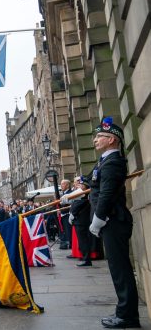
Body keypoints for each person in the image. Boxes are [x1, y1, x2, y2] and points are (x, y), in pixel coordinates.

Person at [86, 118, 140, 329]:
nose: (95, 140)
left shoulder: (114, 161)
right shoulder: (106, 161)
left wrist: (98, 220)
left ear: (111, 139)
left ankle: (127, 316)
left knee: (121, 270)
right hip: (111, 221)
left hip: (113, 221)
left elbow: (107, 194)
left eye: (99, 136)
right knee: (117, 269)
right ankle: (124, 311)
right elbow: (93, 184)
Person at [67, 177, 93, 267]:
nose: (80, 186)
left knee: (83, 240)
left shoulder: (84, 194)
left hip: (82, 220)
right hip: (79, 220)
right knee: (82, 240)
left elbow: (78, 204)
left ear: (85, 186)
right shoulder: (80, 193)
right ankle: (85, 257)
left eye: (82, 185)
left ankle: (87, 259)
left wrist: (73, 213)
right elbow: (75, 203)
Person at [59, 179, 73, 250]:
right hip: (63, 214)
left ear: (68, 185)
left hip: (68, 214)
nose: (61, 185)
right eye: (61, 184)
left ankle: (71, 245)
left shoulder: (70, 193)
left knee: (69, 231)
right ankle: (69, 244)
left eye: (63, 184)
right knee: (67, 231)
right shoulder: (63, 193)